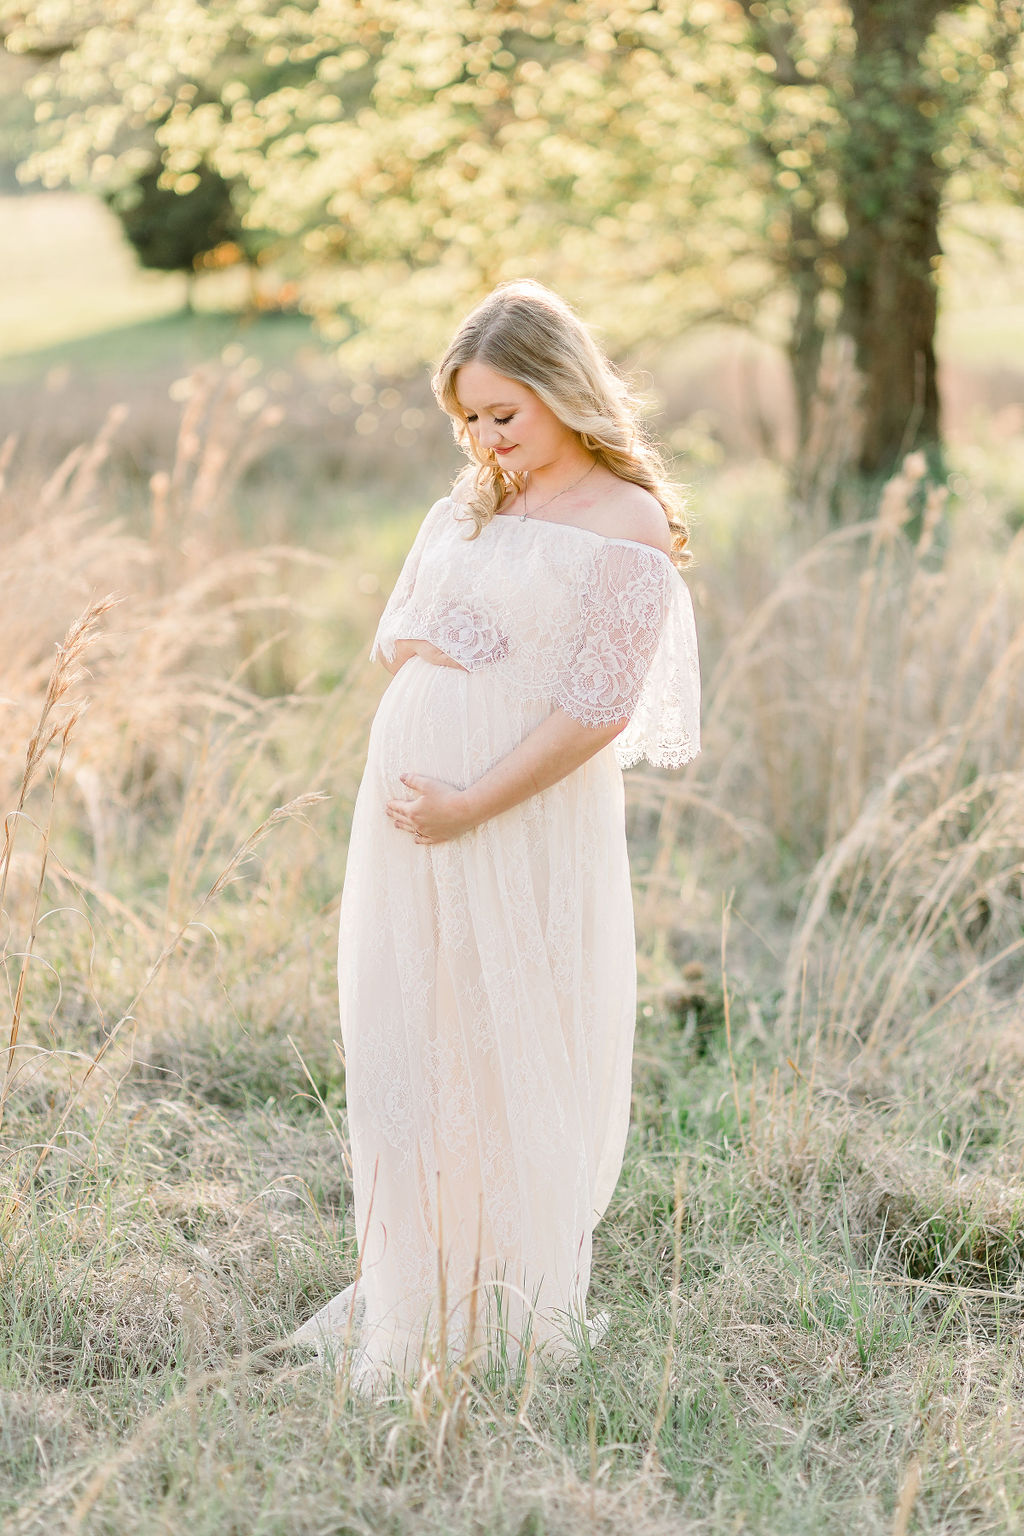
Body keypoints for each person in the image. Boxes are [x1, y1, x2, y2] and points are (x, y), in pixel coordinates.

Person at [291, 279, 700, 1392]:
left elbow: (598, 707)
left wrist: (472, 798)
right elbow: (400, 637)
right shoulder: (476, 503)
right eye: (466, 419)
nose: (484, 439)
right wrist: (436, 647)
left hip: (515, 817)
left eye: (502, 415)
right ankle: (418, 1282)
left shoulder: (625, 520)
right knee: (414, 1035)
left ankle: (507, 1300)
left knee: (503, 1032)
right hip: (413, 822)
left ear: (565, 391)